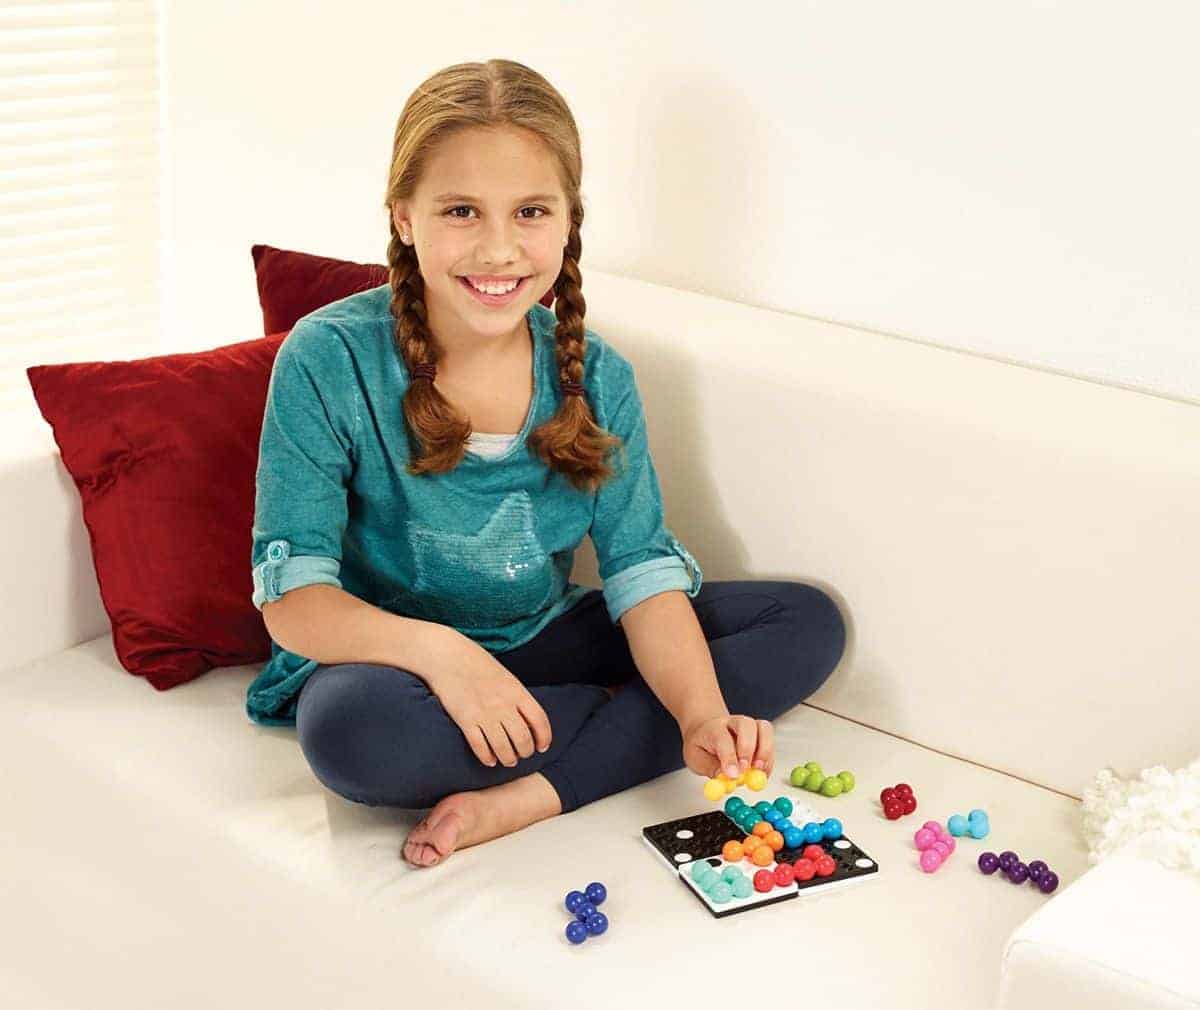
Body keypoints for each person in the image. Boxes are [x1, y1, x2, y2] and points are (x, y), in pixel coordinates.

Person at [248, 59, 847, 869]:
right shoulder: (328, 357)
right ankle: (621, 724)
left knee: (805, 623)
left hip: (542, 633)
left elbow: (641, 574)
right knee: (351, 736)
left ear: (568, 221)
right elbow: (295, 602)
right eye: (461, 210)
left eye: (530, 211)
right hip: (391, 664)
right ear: (404, 216)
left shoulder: (599, 377)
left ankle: (534, 792)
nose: (499, 249)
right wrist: (446, 656)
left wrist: (704, 715)